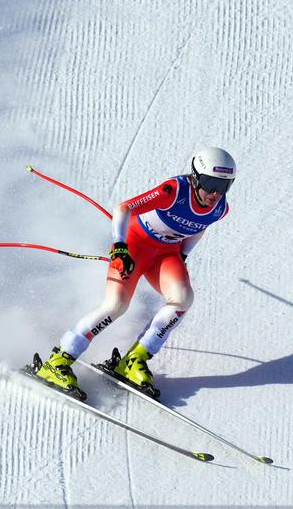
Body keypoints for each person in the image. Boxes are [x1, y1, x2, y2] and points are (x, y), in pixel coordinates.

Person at [32, 147, 236, 401]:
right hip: (134, 246)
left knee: (183, 299)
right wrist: (119, 247)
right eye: (210, 184)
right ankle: (58, 361)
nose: (216, 193)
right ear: (195, 178)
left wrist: (183, 255)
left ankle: (134, 359)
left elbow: (201, 226)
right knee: (116, 305)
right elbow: (124, 208)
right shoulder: (173, 192)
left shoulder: (220, 208)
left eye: (224, 186)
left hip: (166, 254)